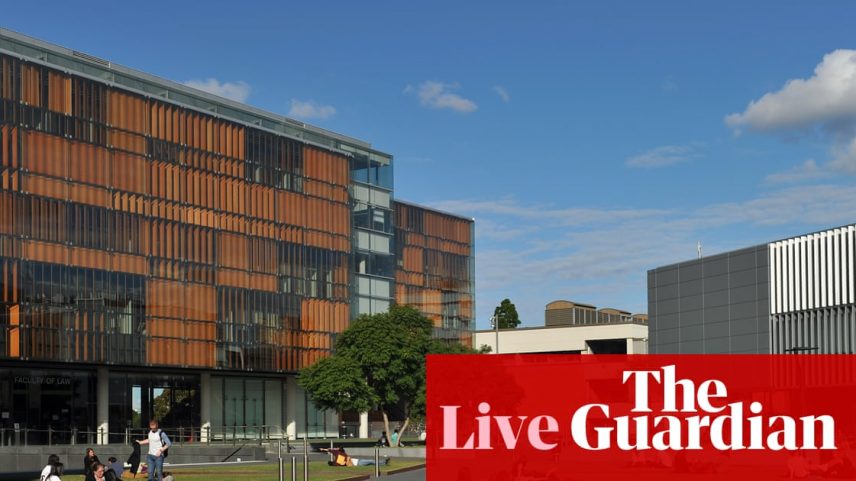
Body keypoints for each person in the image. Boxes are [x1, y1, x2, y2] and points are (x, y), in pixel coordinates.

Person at [320, 447, 389, 467]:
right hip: (357, 463)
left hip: (357, 462)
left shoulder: (337, 462)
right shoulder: (338, 453)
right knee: (371, 461)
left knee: (371, 463)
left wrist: (324, 449)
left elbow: (331, 450)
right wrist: (323, 449)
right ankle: (383, 462)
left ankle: (383, 463)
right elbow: (330, 450)